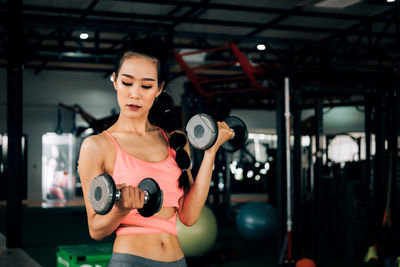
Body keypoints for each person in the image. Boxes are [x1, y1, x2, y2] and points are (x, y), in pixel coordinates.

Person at [78, 37, 234, 267]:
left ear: (159, 88)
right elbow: (95, 230)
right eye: (127, 82)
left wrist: (211, 153)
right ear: (114, 80)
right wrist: (121, 209)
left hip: (177, 260)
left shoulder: (175, 140)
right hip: (130, 260)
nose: (135, 94)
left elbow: (189, 217)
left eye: (146, 85)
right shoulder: (97, 146)